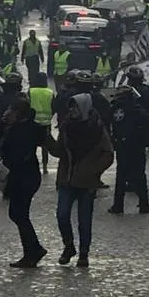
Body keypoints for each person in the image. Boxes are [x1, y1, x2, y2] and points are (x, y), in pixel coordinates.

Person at [44, 93, 114, 268]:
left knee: (84, 220)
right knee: (62, 214)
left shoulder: (97, 128)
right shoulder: (67, 126)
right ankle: (69, 246)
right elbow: (59, 151)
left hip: (87, 181)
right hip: (66, 178)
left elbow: (108, 153)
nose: (72, 110)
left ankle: (84, 253)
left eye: (75, 107)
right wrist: (45, 139)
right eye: (71, 107)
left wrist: (94, 171)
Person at [0, 97, 48, 267]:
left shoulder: (19, 131)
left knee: (18, 213)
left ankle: (33, 251)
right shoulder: (30, 128)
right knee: (19, 213)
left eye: (10, 110)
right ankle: (32, 249)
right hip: (28, 176)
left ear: (17, 113)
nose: (7, 113)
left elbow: (8, 151)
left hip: (23, 177)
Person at [107, 85, 149, 214]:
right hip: (137, 147)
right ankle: (144, 204)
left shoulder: (116, 109)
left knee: (121, 175)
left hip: (122, 146)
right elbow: (147, 125)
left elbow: (111, 123)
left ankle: (118, 205)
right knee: (140, 175)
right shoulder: (137, 109)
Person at [28, 72, 55, 174]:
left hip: (33, 123)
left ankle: (32, 166)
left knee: (32, 146)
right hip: (46, 123)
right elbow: (54, 107)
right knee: (45, 146)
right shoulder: (50, 92)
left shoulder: (31, 91)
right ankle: (45, 167)